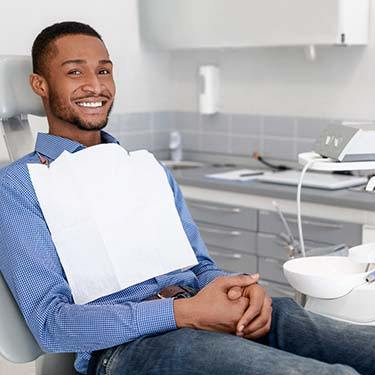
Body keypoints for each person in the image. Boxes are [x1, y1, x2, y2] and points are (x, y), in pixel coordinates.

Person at [0, 21, 373, 375]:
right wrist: (184, 314)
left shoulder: (145, 169)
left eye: (104, 71)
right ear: (40, 84)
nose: (96, 85)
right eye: (75, 72)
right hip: (130, 347)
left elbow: (200, 267)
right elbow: (51, 324)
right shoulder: (19, 187)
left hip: (207, 311)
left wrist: (242, 289)